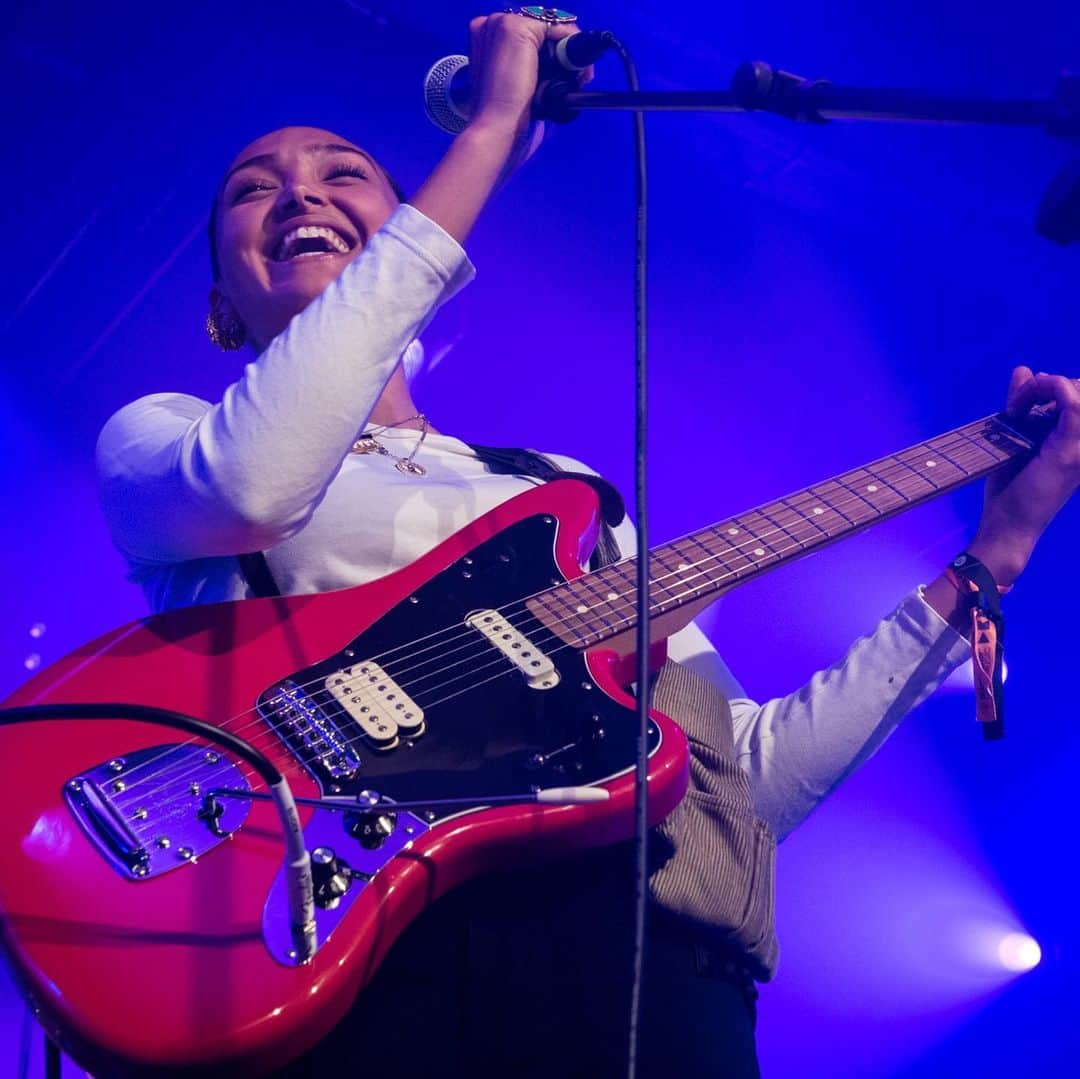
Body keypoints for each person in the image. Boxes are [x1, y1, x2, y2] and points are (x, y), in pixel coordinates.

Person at [95, 10, 1080, 1077]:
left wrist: (998, 553)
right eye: (254, 186)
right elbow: (254, 485)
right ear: (216, 312)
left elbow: (737, 782)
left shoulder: (562, 495)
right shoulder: (163, 437)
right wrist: (485, 141)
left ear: (399, 244)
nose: (298, 194)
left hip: (650, 980)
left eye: (344, 174)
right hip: (370, 953)